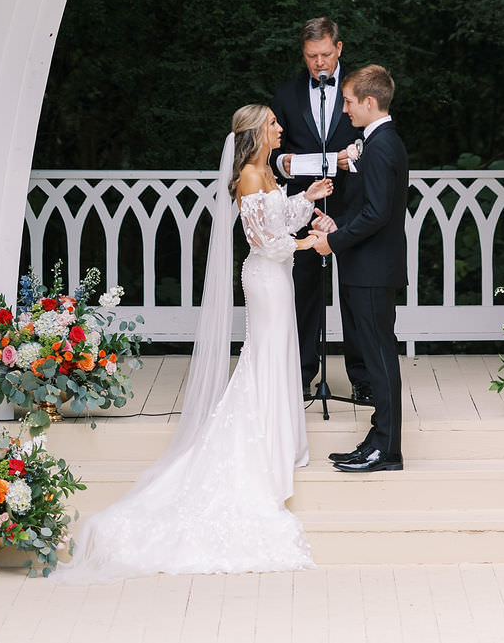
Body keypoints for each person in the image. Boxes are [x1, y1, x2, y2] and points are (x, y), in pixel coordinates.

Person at [56, 104, 333, 581]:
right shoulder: (248, 174)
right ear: (256, 132)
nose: (281, 128)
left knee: (279, 354)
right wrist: (309, 244)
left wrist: (306, 198)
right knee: (263, 355)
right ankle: (260, 443)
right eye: (273, 124)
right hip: (266, 277)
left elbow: (280, 216)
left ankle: (279, 437)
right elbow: (264, 240)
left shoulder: (265, 169)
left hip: (279, 277)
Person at [313, 65, 409, 473]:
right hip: (364, 266)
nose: (344, 110)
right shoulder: (376, 141)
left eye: (349, 102)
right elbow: (370, 211)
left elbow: (377, 214)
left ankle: (387, 449)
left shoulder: (383, 144)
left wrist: (332, 242)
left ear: (369, 102)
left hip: (372, 271)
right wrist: (338, 226)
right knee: (374, 357)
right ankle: (377, 438)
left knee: (380, 357)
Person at [270, 17, 370, 402]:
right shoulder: (288, 94)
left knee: (357, 291)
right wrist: (284, 165)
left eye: (326, 54)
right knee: (303, 290)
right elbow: (274, 152)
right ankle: (301, 374)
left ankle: (363, 378)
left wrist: (353, 159)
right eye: (312, 56)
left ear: (339, 49)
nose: (320, 63)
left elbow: (374, 139)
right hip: (302, 208)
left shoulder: (360, 91)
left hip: (354, 205)